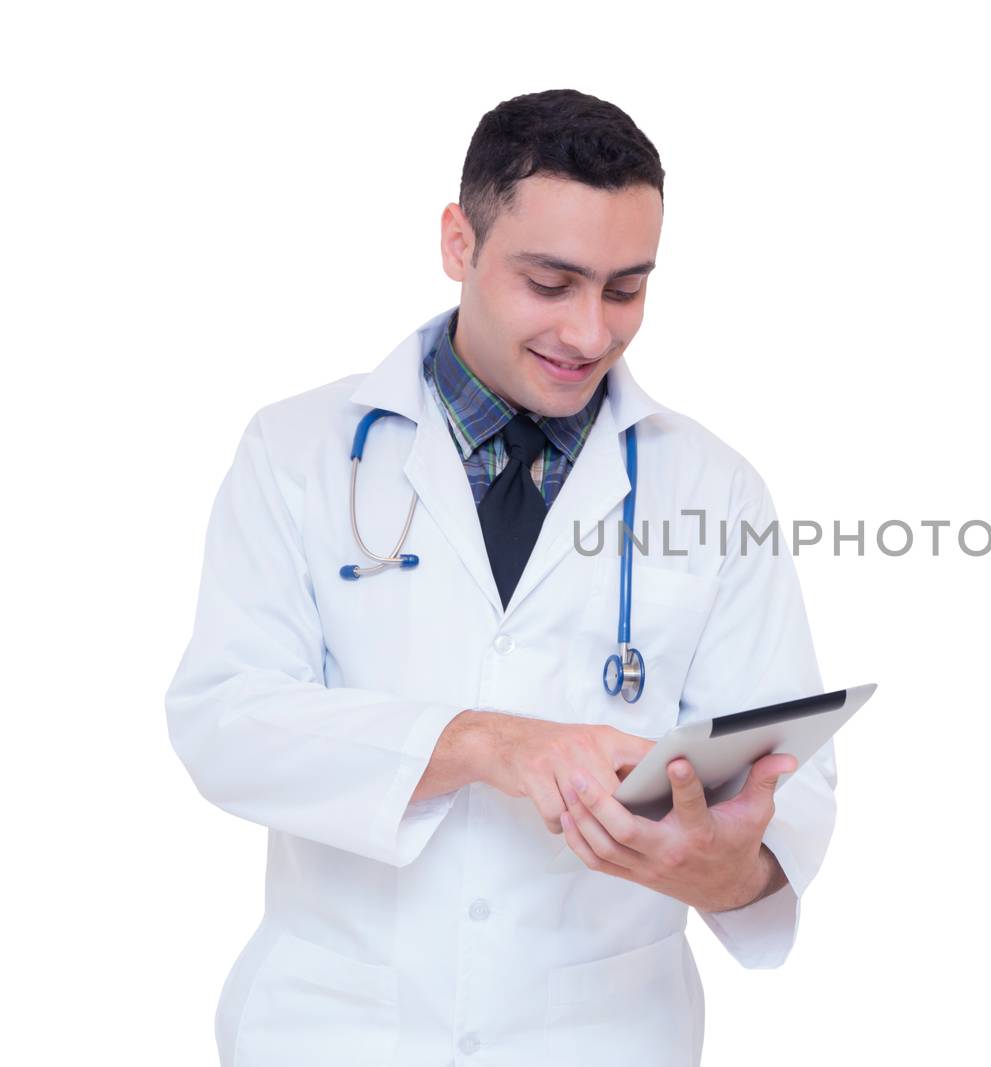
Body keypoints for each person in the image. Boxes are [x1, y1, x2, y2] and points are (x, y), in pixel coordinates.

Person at [165, 88, 837, 1067]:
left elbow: (791, 777)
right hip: (338, 1029)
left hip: (606, 1035)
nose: (590, 332)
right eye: (550, 281)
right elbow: (223, 719)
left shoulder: (713, 485)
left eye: (624, 287)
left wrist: (729, 870)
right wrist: (482, 742)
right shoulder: (298, 450)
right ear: (458, 240)